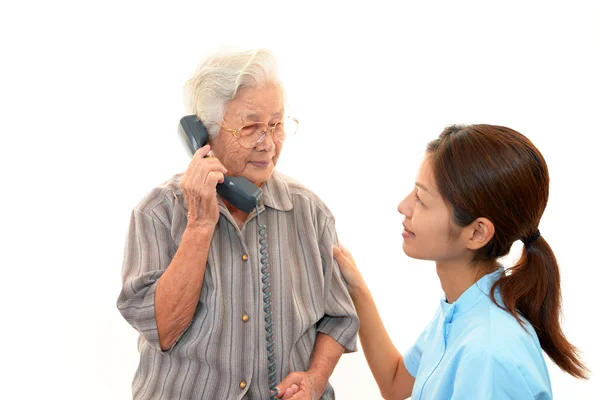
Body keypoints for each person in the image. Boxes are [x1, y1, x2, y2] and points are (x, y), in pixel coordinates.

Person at [117, 48, 358, 400]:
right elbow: (163, 330)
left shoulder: (310, 212)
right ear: (205, 134)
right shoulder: (158, 212)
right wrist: (199, 225)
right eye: (250, 127)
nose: (269, 143)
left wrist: (315, 379)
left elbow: (339, 318)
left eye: (276, 124)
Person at [333, 124, 589, 399]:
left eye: (421, 199)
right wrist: (356, 289)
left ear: (477, 233)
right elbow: (395, 382)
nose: (403, 206)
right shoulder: (462, 311)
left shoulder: (488, 353)